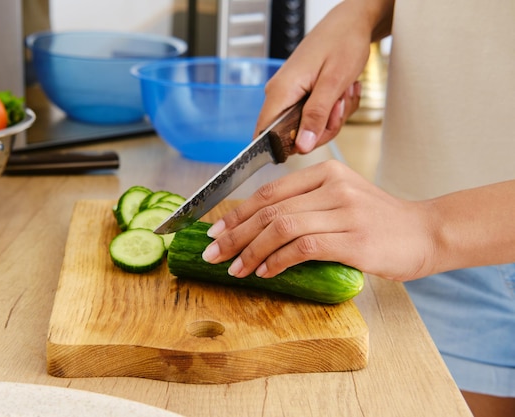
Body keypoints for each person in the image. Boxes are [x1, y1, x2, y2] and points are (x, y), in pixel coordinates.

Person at [200, 1, 515, 416]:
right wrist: (362, 14)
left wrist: (431, 228)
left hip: (451, 236)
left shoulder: (430, 232)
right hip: (407, 244)